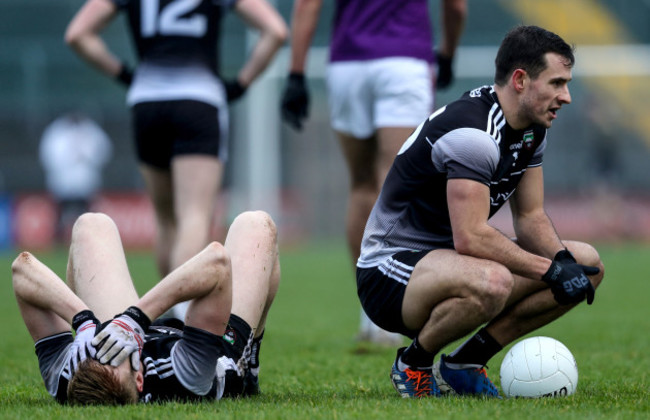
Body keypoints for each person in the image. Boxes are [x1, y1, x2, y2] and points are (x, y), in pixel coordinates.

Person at [354, 25, 605, 398]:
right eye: (556, 83)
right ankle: (413, 364)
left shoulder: (531, 129)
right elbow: (470, 237)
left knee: (588, 264)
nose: (565, 96)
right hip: (389, 272)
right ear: (520, 80)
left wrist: (563, 262)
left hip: (449, 261)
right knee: (493, 281)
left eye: (566, 83)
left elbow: (531, 216)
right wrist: (551, 270)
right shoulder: (474, 134)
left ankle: (465, 362)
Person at [64, 0, 287, 318]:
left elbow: (77, 34)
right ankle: (182, 317)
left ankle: (167, 313)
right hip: (199, 100)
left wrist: (126, 74)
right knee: (194, 215)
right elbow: (276, 31)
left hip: (147, 104)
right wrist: (240, 83)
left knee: (166, 219)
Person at [280, 0, 467, 345]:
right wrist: (448, 53)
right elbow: (455, 7)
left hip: (348, 66)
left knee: (362, 185)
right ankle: (394, 308)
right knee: (397, 186)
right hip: (404, 59)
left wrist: (295, 73)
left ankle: (371, 315)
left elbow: (308, 4)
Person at [12, 210, 280, 404]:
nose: (101, 343)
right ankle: (250, 360)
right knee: (257, 225)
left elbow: (22, 271)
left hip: (140, 332)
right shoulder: (184, 377)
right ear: (139, 379)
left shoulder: (70, 374)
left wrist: (82, 320)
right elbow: (218, 263)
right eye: (114, 353)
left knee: (91, 225)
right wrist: (134, 319)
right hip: (213, 349)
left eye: (95, 350)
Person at [39, 111, 112, 243]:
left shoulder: (90, 131)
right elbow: (50, 155)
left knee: (87, 214)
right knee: (60, 214)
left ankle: (88, 240)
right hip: (63, 181)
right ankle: (59, 241)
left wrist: (86, 156)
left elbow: (102, 150)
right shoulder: (57, 132)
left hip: (85, 180)